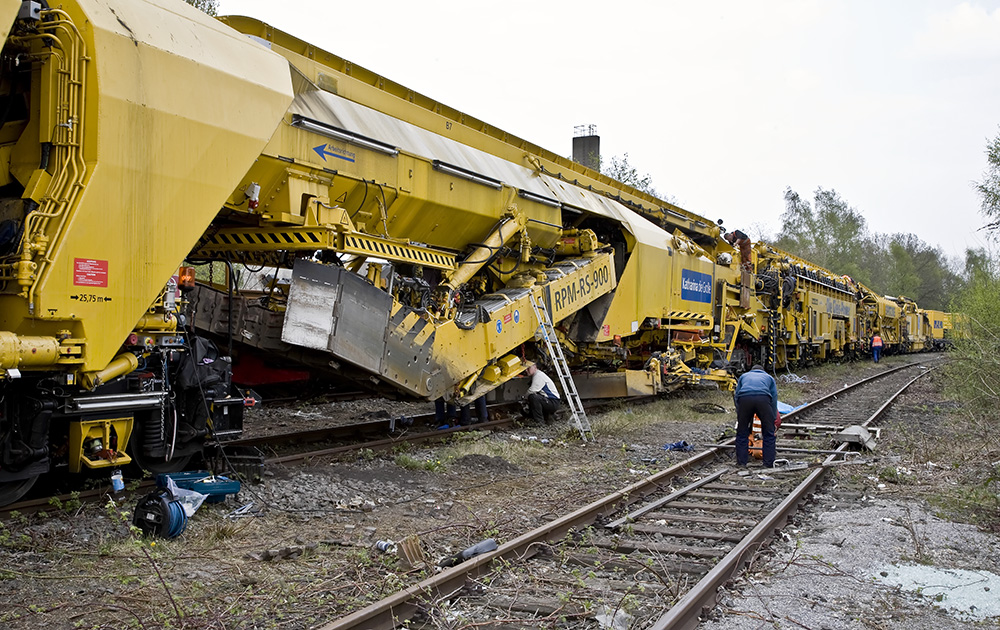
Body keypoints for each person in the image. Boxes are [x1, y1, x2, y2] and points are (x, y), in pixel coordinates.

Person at [733, 364, 778, 467]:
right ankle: (768, 463)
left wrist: (740, 414)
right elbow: (774, 398)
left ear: (751, 370)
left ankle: (741, 462)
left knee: (742, 433)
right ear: (763, 371)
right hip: (763, 399)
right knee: (768, 433)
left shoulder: (744, 376)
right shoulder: (769, 377)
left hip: (744, 399)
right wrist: (773, 418)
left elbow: (736, 396)